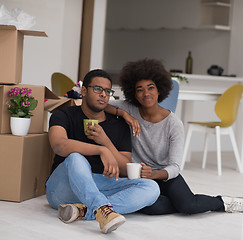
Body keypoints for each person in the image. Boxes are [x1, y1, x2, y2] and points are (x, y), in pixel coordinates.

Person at [105, 58, 243, 215]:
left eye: (151, 88)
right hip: (141, 177)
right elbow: (102, 104)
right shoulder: (129, 108)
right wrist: (123, 114)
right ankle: (174, 201)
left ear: (159, 90)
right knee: (151, 207)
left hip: (165, 175)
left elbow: (175, 167)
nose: (146, 93)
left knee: (189, 206)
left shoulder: (174, 124)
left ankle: (224, 202)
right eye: (140, 89)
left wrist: (154, 174)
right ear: (133, 94)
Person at [45, 69, 160, 234]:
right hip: (63, 187)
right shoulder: (63, 115)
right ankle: (100, 208)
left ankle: (84, 210)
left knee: (151, 188)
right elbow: (59, 145)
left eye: (107, 91)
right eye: (97, 89)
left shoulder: (119, 125)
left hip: (99, 185)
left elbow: (124, 169)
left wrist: (106, 143)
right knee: (76, 157)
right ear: (84, 91)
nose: (103, 94)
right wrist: (100, 150)